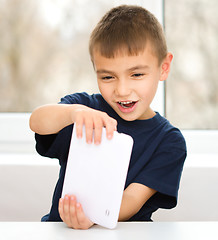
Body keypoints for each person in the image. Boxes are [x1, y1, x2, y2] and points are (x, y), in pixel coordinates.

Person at [29, 5, 187, 230]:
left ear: (164, 67)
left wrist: (92, 216)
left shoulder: (169, 142)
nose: (122, 90)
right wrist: (73, 113)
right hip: (61, 232)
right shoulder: (83, 108)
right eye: (108, 77)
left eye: (137, 74)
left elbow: (132, 199)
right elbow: (37, 120)